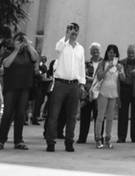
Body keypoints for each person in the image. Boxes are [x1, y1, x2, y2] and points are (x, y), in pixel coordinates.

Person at [0, 31, 39, 149]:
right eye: (18, 40)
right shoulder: (9, 52)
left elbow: (35, 57)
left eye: (22, 40)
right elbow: (6, 64)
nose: (20, 43)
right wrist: (16, 50)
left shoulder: (28, 52)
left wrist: (28, 45)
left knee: (20, 114)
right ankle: (1, 140)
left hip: (24, 87)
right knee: (7, 113)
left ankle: (18, 141)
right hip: (11, 87)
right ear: (14, 42)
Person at [45, 22, 86, 152]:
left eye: (75, 30)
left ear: (78, 32)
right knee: (54, 114)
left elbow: (81, 67)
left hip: (74, 84)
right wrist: (66, 36)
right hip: (60, 84)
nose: (73, 32)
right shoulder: (62, 44)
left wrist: (82, 84)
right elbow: (57, 49)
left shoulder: (80, 48)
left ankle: (69, 142)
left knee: (72, 116)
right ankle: (50, 142)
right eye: (70, 29)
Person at [93, 43, 122, 148]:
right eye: (110, 52)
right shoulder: (102, 63)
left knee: (110, 118)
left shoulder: (118, 64)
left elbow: (123, 79)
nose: (112, 55)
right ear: (107, 53)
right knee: (100, 116)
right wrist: (107, 68)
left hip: (113, 94)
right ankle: (98, 139)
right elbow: (99, 76)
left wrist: (120, 71)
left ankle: (108, 139)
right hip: (103, 93)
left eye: (114, 53)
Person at [118, 43, 135, 143]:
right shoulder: (121, 62)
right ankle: (121, 137)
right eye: (129, 52)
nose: (130, 54)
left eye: (132, 52)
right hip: (125, 89)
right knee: (122, 114)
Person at [76, 42, 101, 143]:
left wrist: (90, 79)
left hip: (99, 93)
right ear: (90, 52)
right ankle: (82, 138)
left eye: (97, 50)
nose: (95, 52)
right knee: (85, 116)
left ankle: (98, 138)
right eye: (93, 50)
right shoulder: (86, 64)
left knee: (98, 117)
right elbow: (82, 76)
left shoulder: (104, 63)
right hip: (87, 94)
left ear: (100, 52)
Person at [31, 54, 51, 124]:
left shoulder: (44, 66)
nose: (43, 60)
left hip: (41, 86)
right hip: (37, 85)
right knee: (37, 102)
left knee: (40, 102)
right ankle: (34, 118)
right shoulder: (38, 66)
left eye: (45, 59)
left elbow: (43, 75)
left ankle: (35, 116)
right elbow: (39, 75)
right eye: (42, 59)